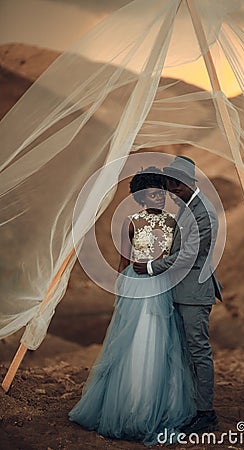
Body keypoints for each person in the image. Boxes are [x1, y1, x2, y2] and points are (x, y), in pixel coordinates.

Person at [69, 167, 196, 445]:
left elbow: (175, 258)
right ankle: (129, 406)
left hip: (161, 286)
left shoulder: (173, 222)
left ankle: (154, 405)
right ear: (140, 197)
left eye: (162, 192)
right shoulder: (131, 222)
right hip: (135, 285)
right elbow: (124, 260)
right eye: (153, 193)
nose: (160, 198)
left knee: (161, 341)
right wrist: (120, 288)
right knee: (132, 340)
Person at [134, 156, 222, 434]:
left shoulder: (203, 212)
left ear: (185, 184)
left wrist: (149, 266)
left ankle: (206, 414)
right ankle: (191, 406)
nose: (171, 193)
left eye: (174, 187)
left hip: (194, 292)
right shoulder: (189, 207)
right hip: (181, 291)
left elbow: (187, 257)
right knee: (185, 352)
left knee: (198, 351)